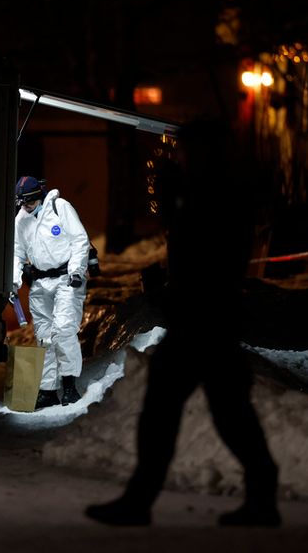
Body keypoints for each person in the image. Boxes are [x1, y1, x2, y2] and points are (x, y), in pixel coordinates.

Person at [84, 119, 281, 527]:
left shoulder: (219, 194)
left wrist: (180, 203)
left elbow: (210, 252)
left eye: (185, 149)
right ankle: (254, 494)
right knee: (205, 409)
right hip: (202, 315)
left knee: (198, 410)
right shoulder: (208, 191)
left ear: (205, 152)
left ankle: (144, 500)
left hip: (206, 317)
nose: (179, 155)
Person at [12, 176, 90, 409]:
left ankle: (69, 386)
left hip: (66, 279)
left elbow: (79, 240)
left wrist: (76, 271)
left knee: (64, 330)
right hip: (40, 282)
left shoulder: (60, 208)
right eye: (22, 203)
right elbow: (17, 252)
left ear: (38, 197)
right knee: (44, 337)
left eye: (28, 202)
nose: (25, 207)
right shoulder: (22, 220)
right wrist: (14, 281)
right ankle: (48, 390)